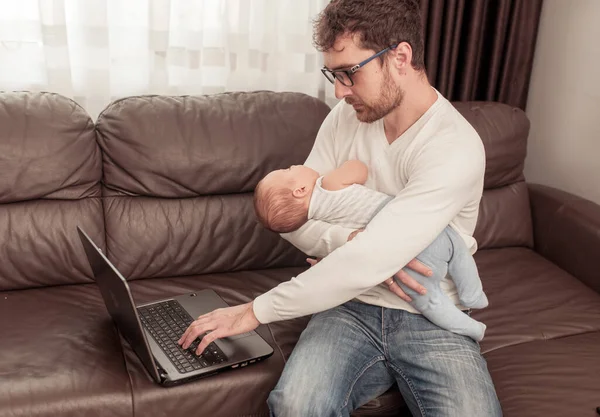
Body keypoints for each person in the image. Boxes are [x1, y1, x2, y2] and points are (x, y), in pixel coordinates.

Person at [179, 0, 503, 415]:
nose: (339, 91)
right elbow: (297, 217)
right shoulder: (344, 118)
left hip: (432, 315)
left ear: (400, 58)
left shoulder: (453, 146)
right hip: (348, 308)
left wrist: (255, 311)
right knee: (296, 405)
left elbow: (366, 259)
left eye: (350, 72)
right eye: (333, 74)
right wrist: (348, 240)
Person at [253, 161, 489, 341]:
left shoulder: (317, 218)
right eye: (286, 171)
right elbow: (359, 169)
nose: (293, 165)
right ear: (300, 190)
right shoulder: (328, 185)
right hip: (420, 229)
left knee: (428, 300)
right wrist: (343, 169)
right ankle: (473, 293)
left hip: (400, 255)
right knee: (458, 249)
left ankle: (472, 329)